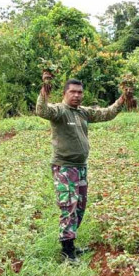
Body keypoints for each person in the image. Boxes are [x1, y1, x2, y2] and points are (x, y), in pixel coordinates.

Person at [35, 78, 125, 262]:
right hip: (65, 167)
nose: (76, 95)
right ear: (65, 94)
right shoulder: (59, 111)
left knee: (80, 207)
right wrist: (44, 90)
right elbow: (42, 110)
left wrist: (123, 98)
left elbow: (107, 114)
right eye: (72, 92)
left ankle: (72, 244)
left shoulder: (83, 112)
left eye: (79, 92)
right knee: (69, 206)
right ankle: (66, 250)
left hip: (81, 167)